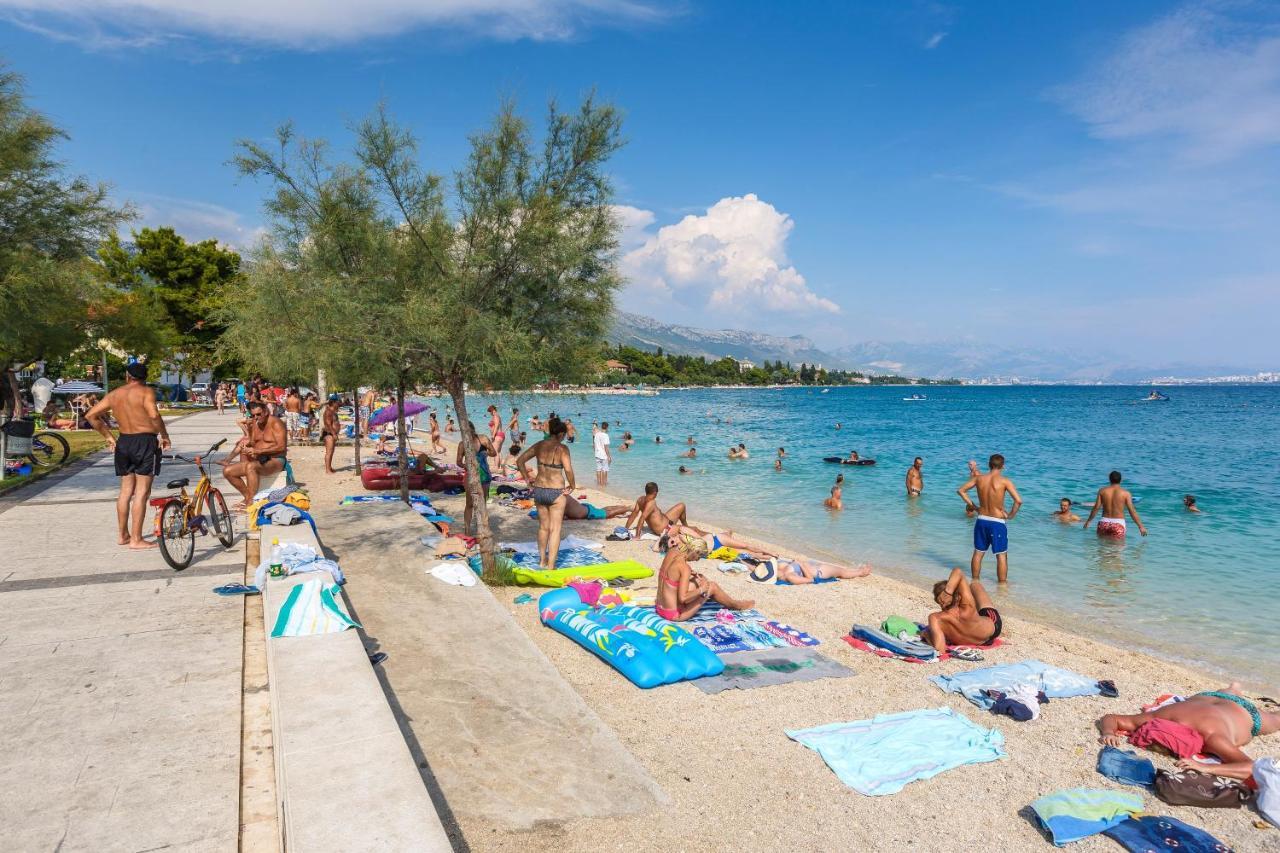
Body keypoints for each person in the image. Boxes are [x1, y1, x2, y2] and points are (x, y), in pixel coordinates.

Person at [84, 362, 171, 549]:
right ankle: (136, 539)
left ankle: (123, 535)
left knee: (125, 491)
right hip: (145, 441)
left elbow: (91, 415)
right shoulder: (146, 392)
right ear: (145, 377)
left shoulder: (115, 394)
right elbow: (154, 415)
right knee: (142, 492)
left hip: (124, 442)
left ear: (127, 376)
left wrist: (108, 437)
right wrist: (164, 435)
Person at [1097, 684, 1279, 763]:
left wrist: (1200, 765)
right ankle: (1234, 688)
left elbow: (1248, 765)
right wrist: (1108, 732)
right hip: (1209, 697)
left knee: (1276, 720)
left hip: (1246, 711)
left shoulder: (1213, 739)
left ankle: (1234, 690)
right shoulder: (1161, 717)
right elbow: (1111, 718)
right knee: (1230, 692)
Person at [515, 417, 575, 570]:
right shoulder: (563, 449)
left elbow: (520, 460)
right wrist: (572, 485)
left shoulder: (539, 445)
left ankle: (542, 561)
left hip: (540, 490)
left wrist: (527, 480)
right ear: (561, 434)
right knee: (555, 529)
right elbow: (567, 469)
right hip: (556, 491)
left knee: (543, 527)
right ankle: (551, 566)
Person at [653, 534, 754, 621]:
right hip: (674, 614)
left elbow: (670, 575)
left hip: (659, 607)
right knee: (712, 586)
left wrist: (691, 575)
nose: (697, 560)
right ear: (695, 552)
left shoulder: (673, 552)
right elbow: (683, 598)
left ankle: (725, 600)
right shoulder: (684, 568)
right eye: (699, 557)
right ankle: (736, 605)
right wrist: (702, 589)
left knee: (700, 578)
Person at [956, 453, 1022, 583]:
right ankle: (1002, 586)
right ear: (1002, 466)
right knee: (1001, 555)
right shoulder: (1005, 481)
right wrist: (1010, 516)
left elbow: (961, 491)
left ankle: (975, 581)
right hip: (997, 522)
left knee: (978, 552)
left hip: (981, 520)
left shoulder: (979, 479)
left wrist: (975, 507)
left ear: (989, 465)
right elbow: (1018, 501)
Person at [221, 401, 287, 509]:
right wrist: (246, 445)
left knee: (251, 467)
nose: (256, 417)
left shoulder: (276, 423)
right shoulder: (254, 424)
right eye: (253, 415)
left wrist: (258, 451)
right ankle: (248, 498)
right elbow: (253, 442)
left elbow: (281, 447)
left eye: (258, 414)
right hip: (260, 458)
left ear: (266, 412)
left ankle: (250, 503)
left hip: (275, 459)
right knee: (227, 471)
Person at [922, 567, 1002, 653]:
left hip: (975, 637)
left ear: (937, 601)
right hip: (992, 629)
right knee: (975, 585)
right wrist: (948, 591)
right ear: (958, 597)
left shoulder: (935, 618)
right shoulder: (967, 606)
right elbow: (958, 571)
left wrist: (926, 636)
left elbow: (940, 650)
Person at [456, 421, 496, 534]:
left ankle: (482, 529)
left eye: (469, 430)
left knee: (482, 503)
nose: (468, 433)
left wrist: (486, 453)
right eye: (465, 432)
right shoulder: (462, 444)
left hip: (484, 475)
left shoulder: (483, 439)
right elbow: (458, 462)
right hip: (470, 476)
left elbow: (494, 453)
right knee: (469, 504)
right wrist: (466, 466)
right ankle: (467, 530)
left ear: (473, 429)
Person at [1083, 471, 1147, 537]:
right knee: (1118, 546)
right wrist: (1141, 527)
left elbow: (1096, 508)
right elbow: (1132, 511)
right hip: (1118, 524)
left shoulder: (1102, 491)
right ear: (1121, 480)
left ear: (1109, 479)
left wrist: (1088, 521)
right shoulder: (1126, 493)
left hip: (1104, 523)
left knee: (1101, 546)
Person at [624, 482, 689, 536]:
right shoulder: (651, 502)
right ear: (655, 492)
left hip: (664, 522)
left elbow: (633, 515)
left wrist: (625, 528)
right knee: (682, 505)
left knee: (680, 506)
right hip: (665, 529)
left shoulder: (640, 499)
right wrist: (637, 536)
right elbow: (642, 518)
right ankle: (686, 527)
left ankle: (686, 527)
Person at [775, 557, 871, 584]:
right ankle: (861, 572)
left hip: (811, 565)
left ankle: (857, 570)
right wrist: (801, 564)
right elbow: (811, 579)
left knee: (842, 569)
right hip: (819, 572)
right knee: (842, 572)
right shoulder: (790, 576)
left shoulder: (776, 568)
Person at [563, 495, 629, 520]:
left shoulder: (561, 500)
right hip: (584, 507)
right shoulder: (563, 495)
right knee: (602, 510)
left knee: (608, 514)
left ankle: (629, 508)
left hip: (588, 512)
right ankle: (621, 507)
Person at [320, 395, 341, 474]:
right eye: (337, 402)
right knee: (329, 452)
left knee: (332, 451)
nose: (339, 403)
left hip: (332, 433)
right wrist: (333, 433)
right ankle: (327, 470)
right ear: (333, 402)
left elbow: (334, 422)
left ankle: (329, 467)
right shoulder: (328, 411)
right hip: (329, 434)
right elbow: (328, 424)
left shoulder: (333, 410)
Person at [593, 420, 612, 487]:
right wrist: (609, 456)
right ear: (607, 427)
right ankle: (604, 483)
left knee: (598, 469)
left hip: (597, 454)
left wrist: (595, 452)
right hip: (603, 455)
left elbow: (594, 444)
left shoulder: (597, 434)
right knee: (605, 470)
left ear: (601, 427)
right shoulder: (606, 435)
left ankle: (599, 483)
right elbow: (606, 447)